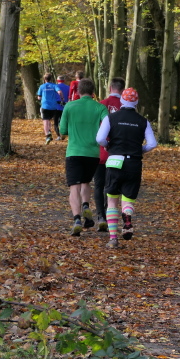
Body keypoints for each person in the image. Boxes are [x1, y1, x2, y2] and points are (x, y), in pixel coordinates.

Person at [96, 87, 158, 248]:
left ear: (122, 101)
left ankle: (113, 238)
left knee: (112, 200)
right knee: (128, 198)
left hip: (114, 161)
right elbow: (152, 143)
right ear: (137, 102)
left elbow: (100, 138)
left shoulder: (111, 118)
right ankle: (127, 217)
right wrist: (140, 150)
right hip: (133, 163)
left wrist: (108, 145)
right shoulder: (143, 121)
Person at [59, 78, 109, 236]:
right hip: (93, 153)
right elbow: (107, 126)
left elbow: (62, 130)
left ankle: (77, 220)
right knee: (86, 182)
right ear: (93, 92)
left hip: (74, 151)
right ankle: (86, 205)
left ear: (78, 91)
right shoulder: (100, 107)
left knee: (74, 186)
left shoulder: (69, 106)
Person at [96, 77, 126, 232]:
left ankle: (100, 216)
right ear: (123, 90)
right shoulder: (126, 107)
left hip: (101, 152)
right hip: (118, 154)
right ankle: (110, 216)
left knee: (99, 185)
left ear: (110, 88)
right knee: (113, 187)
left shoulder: (101, 104)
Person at [36, 73, 65, 145]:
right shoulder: (54, 85)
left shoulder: (42, 86)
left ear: (44, 79)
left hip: (45, 106)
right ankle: (49, 131)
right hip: (53, 106)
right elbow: (59, 92)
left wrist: (41, 98)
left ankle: (48, 136)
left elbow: (39, 97)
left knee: (45, 120)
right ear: (51, 79)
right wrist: (62, 98)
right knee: (49, 119)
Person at [55, 76, 71, 140]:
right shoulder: (68, 87)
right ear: (64, 80)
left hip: (56, 106)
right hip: (65, 106)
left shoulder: (55, 87)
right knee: (65, 121)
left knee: (56, 122)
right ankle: (65, 134)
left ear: (57, 80)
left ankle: (59, 135)